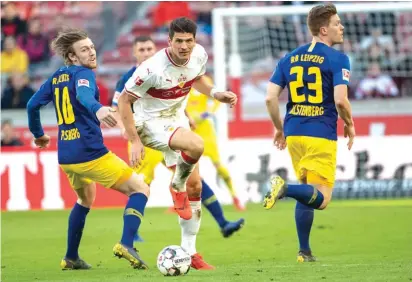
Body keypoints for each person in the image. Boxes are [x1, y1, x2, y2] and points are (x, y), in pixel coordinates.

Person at [117, 17, 237, 270]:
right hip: (149, 123)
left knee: (195, 188)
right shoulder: (151, 69)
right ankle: (176, 185)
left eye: (189, 41)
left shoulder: (199, 55)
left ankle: (190, 252)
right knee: (196, 145)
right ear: (169, 41)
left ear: (195, 41)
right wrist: (134, 140)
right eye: (179, 41)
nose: (184, 46)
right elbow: (123, 102)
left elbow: (198, 79)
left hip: (176, 118)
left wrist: (216, 93)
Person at [26, 29, 150, 270]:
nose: (91, 52)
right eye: (84, 49)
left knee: (85, 198)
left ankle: (71, 257)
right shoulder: (83, 73)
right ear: (72, 57)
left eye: (92, 47)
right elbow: (84, 95)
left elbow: (32, 105)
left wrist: (39, 135)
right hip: (90, 153)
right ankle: (127, 243)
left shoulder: (56, 77)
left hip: (66, 155)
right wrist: (98, 109)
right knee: (140, 188)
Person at [264, 4, 355, 262]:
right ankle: (283, 188)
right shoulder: (339, 59)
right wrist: (349, 123)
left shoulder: (289, 58)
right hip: (320, 134)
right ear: (324, 29)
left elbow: (270, 98)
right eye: (337, 23)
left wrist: (279, 128)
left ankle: (304, 251)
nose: (342, 27)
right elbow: (340, 100)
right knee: (322, 199)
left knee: (307, 190)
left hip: (294, 133)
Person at [186, 76, 245, 211]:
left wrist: (207, 113)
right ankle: (181, 202)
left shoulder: (204, 81)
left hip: (205, 130)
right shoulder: (181, 80)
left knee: (218, 164)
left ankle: (235, 197)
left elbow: (216, 99)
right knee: (188, 167)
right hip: (189, 128)